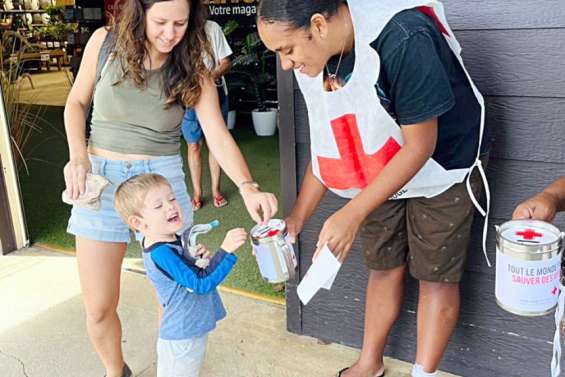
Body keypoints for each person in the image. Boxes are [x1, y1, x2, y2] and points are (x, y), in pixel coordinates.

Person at [257, 1, 489, 377]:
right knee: (383, 265)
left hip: (444, 162)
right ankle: (369, 363)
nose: (285, 63)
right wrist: (298, 218)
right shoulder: (313, 57)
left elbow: (420, 146)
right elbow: (326, 145)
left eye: (286, 50)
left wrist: (352, 213)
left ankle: (423, 373)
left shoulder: (402, 37)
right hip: (377, 164)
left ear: (318, 25)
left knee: (435, 274)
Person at [62, 0, 277, 376]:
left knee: (173, 297)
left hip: (160, 179)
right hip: (101, 177)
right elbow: (76, 103)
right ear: (139, 13)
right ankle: (117, 371)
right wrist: (78, 155)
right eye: (160, 21)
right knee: (98, 306)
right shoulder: (104, 43)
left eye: (180, 23)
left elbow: (216, 132)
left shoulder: (192, 63)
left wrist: (247, 185)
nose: (169, 33)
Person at [114, 173, 246, 377]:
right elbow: (200, 283)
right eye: (158, 206)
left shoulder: (168, 240)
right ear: (139, 223)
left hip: (189, 328)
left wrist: (196, 259)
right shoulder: (161, 252)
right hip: (182, 333)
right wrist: (225, 251)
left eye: (172, 198)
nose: (170, 206)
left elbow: (189, 273)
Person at [182, 20, 232, 211]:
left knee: (215, 143)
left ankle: (216, 190)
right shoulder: (178, 28)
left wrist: (209, 79)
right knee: (193, 145)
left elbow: (225, 62)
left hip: (216, 92)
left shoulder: (212, 28)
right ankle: (196, 193)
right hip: (188, 94)